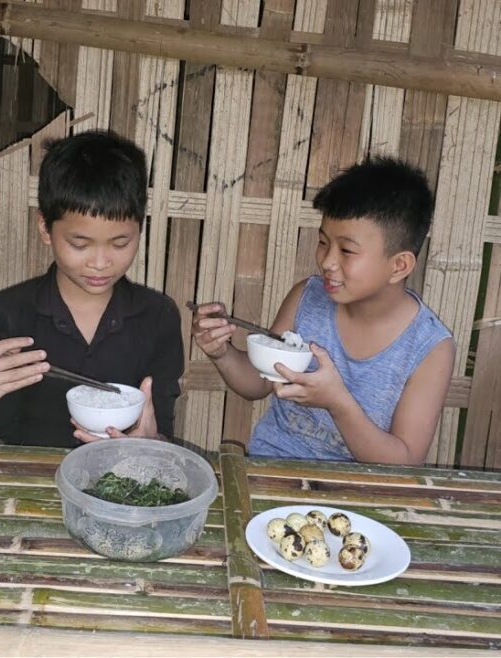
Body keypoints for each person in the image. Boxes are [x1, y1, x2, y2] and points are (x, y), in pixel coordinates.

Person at [192, 156, 454, 465]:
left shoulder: (430, 348)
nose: (327, 261)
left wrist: (338, 404)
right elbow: (259, 382)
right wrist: (221, 353)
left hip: (360, 489)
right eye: (323, 242)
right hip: (273, 468)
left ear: (399, 266)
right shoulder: (306, 298)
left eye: (347, 250)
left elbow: (405, 462)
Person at [0, 130, 184, 447]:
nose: (100, 263)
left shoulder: (158, 317)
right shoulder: (5, 315)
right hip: (25, 478)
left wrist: (149, 442)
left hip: (118, 476)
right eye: (80, 244)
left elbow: (159, 436)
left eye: (120, 243)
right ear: (45, 228)